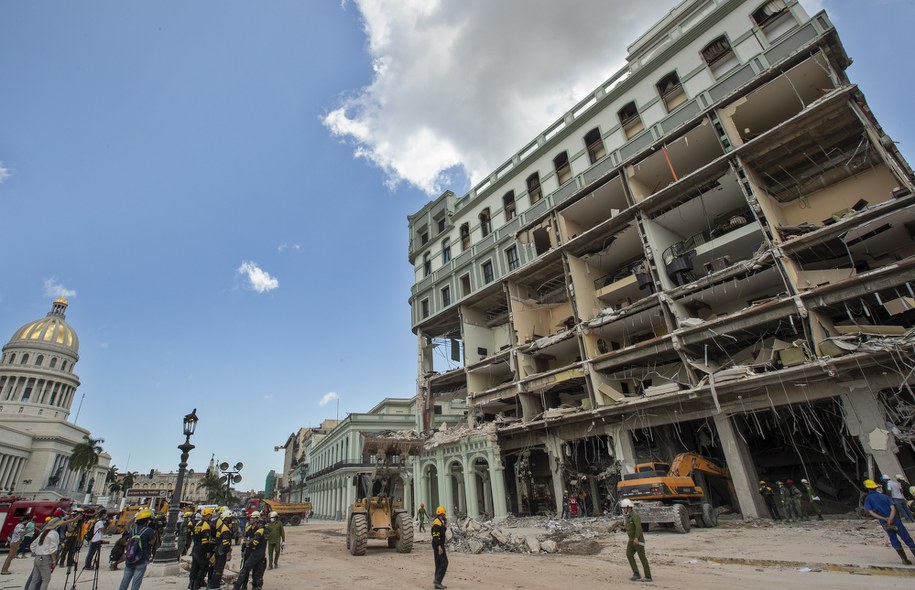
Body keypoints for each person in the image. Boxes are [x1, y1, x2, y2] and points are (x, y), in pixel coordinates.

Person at [863, 478, 915, 565]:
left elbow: (871, 512)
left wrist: (885, 519)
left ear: (868, 489)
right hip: (895, 520)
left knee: (893, 539)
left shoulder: (868, 499)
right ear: (876, 487)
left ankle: (904, 559)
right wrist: (891, 518)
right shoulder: (884, 496)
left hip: (885, 522)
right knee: (906, 538)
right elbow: (893, 509)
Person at [118, 509, 155, 590]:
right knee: (136, 581)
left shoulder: (133, 529)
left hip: (130, 556)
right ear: (147, 520)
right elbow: (152, 542)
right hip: (142, 558)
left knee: (125, 579)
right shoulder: (149, 531)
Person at [232, 513, 266, 590]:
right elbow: (245, 540)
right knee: (245, 570)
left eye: (252, 518)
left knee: (256, 572)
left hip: (257, 554)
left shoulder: (260, 530)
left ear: (257, 519)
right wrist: (243, 549)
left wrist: (249, 542)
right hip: (249, 552)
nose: (250, 519)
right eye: (250, 518)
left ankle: (238, 587)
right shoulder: (248, 528)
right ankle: (244, 586)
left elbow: (255, 543)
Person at [621, 499, 651, 582]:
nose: (623, 510)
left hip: (637, 540)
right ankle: (636, 573)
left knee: (642, 558)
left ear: (628, 507)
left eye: (624, 508)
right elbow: (629, 527)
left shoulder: (635, 516)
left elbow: (638, 528)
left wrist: (637, 538)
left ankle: (648, 576)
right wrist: (624, 529)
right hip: (631, 540)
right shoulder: (628, 517)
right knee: (629, 554)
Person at [27, 517, 61, 590]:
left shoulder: (43, 533)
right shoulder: (54, 534)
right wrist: (54, 560)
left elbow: (32, 545)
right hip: (45, 558)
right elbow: (53, 549)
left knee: (34, 580)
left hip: (38, 557)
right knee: (46, 580)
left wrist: (37, 551)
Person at [189, 507, 215, 590]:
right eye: (210, 515)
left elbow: (193, 535)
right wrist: (207, 551)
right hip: (201, 549)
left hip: (195, 547)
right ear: (208, 515)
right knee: (204, 567)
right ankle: (197, 585)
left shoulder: (198, 523)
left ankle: (191, 585)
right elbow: (205, 540)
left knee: (194, 567)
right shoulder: (206, 525)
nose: (211, 517)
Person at [207, 511, 233, 589]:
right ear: (226, 518)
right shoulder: (225, 529)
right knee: (219, 569)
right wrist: (228, 552)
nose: (230, 519)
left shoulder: (220, 527)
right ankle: (215, 585)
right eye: (229, 518)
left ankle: (212, 583)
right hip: (222, 551)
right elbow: (225, 542)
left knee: (216, 568)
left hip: (217, 550)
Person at [431, 506, 448, 590]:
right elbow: (435, 535)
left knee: (438, 563)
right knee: (444, 563)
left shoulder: (439, 521)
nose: (445, 515)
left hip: (438, 544)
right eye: (444, 514)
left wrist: (444, 525)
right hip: (438, 545)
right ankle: (437, 581)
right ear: (442, 514)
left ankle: (437, 583)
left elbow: (441, 532)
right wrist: (439, 547)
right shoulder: (437, 522)